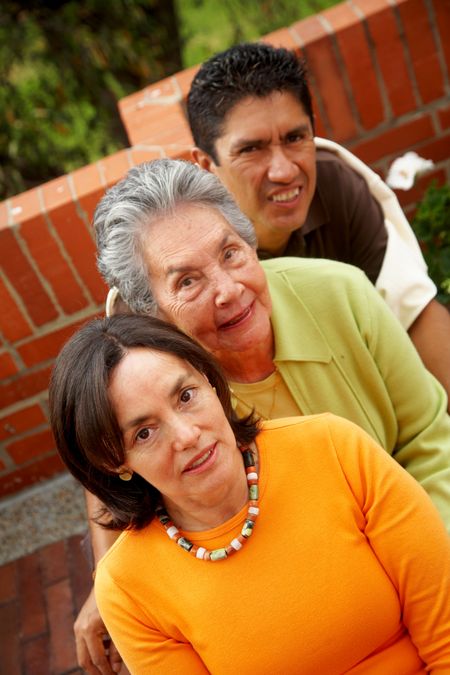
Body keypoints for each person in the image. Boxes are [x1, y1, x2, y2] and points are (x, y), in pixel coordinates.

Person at [75, 158, 450, 674]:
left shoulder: (341, 295)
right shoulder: (160, 392)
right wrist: (107, 584)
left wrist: (421, 552)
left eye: (231, 253)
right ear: (150, 316)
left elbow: (430, 434)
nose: (228, 290)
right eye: (187, 281)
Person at [50, 314, 450, 674]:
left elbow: (446, 636)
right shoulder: (127, 588)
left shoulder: (332, 446)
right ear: (114, 461)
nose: (188, 436)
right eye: (145, 433)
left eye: (186, 396)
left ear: (209, 380)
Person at [187, 42, 450, 403]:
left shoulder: (335, 184)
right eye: (251, 149)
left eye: (295, 138)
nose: (283, 171)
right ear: (206, 166)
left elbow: (414, 312)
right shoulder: (182, 244)